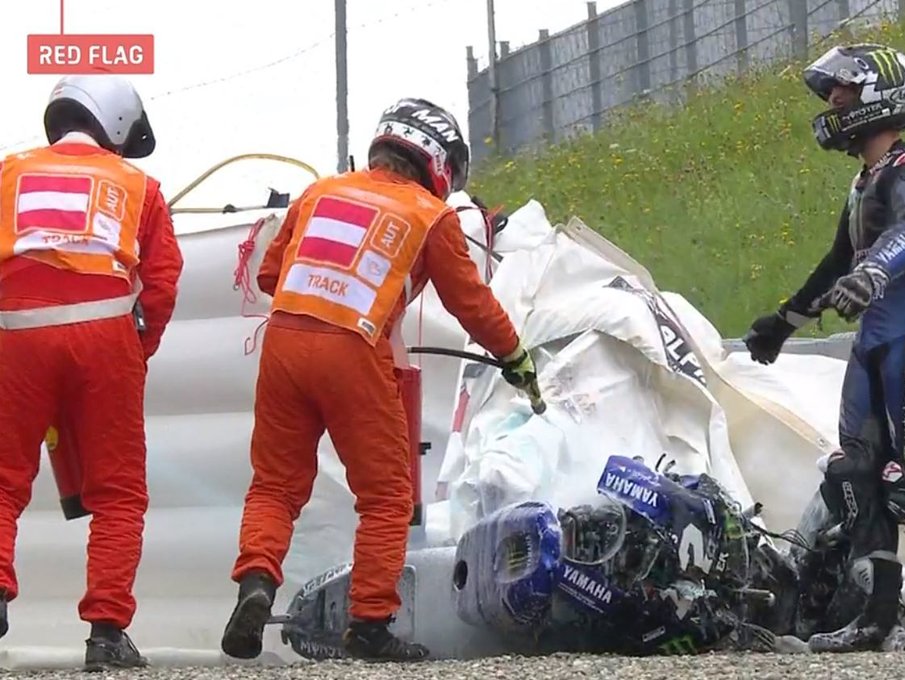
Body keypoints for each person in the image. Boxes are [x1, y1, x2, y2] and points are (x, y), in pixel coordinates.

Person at [220, 97, 543, 662]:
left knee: (274, 485)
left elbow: (271, 273)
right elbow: (471, 302)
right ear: (440, 162)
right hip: (352, 348)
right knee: (388, 495)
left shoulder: (320, 192)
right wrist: (515, 356)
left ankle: (256, 583)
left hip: (285, 342)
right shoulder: (430, 214)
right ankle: (369, 625)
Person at [742, 43, 905, 652]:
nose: (831, 103)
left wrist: (873, 273)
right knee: (857, 475)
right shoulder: (865, 180)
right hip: (874, 344)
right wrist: (784, 322)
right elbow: (838, 261)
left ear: (879, 96)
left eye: (841, 92)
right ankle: (876, 619)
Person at [0, 74, 183, 670]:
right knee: (119, 491)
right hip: (105, 334)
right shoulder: (141, 184)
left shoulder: (7, 172)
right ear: (117, 126)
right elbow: (159, 284)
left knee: (3, 480)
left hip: (16, 334)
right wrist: (136, 354)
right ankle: (106, 633)